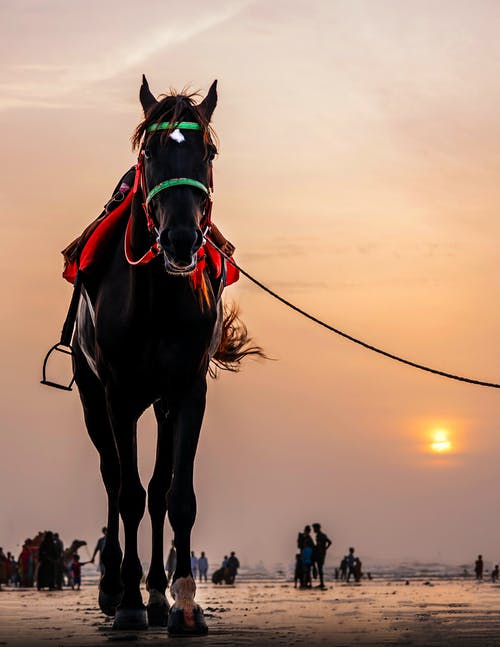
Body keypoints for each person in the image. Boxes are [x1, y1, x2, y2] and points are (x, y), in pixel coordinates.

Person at [312, 523, 332, 590]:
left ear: (317, 528)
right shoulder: (319, 535)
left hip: (320, 554)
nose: (313, 530)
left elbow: (330, 542)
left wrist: (325, 549)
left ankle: (322, 583)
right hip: (319, 553)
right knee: (318, 567)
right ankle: (321, 582)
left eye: (314, 528)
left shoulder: (322, 535)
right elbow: (329, 542)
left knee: (320, 568)